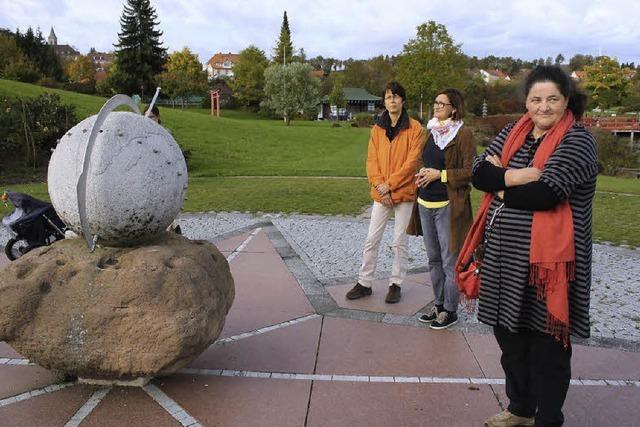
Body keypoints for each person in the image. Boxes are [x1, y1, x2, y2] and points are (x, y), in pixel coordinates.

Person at [459, 65, 597, 427]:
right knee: (510, 340)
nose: (543, 107)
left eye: (552, 99)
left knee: (547, 347)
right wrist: (516, 177)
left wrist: (498, 183)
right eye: (536, 99)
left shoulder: (578, 140)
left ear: (567, 100)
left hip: (549, 268)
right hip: (504, 260)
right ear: (527, 101)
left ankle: (548, 419)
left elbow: (545, 194)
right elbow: (477, 173)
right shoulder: (513, 131)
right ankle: (520, 408)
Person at [346, 81, 425, 304]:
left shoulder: (416, 129)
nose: (392, 101)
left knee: (399, 241)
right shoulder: (377, 129)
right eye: (388, 97)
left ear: (403, 100)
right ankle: (364, 282)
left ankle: (395, 284)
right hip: (381, 193)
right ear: (384, 101)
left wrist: (390, 185)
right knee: (372, 239)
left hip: (404, 192)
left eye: (396, 97)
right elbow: (372, 161)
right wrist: (381, 187)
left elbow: (413, 162)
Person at [413, 88, 475, 329]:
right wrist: (420, 172)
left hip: (448, 205)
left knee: (450, 262)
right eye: (435, 102)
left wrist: (441, 174)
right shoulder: (430, 131)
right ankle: (438, 304)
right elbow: (421, 160)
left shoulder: (463, 133)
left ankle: (450, 310)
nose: (436, 106)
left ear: (454, 108)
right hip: (424, 204)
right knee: (433, 259)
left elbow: (470, 171)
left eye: (442, 103)